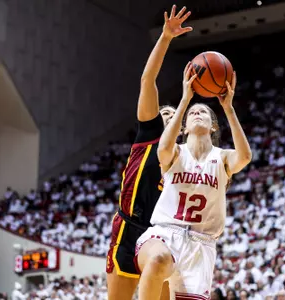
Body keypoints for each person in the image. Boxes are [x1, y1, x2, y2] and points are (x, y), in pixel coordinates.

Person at [135, 63, 252, 300]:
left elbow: (245, 156)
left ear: (213, 127)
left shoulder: (222, 158)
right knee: (158, 260)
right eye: (192, 114)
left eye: (204, 113)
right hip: (165, 233)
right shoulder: (175, 153)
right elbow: (163, 147)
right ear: (184, 128)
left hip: (202, 244)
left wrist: (228, 108)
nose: (197, 114)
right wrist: (185, 99)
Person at [105, 5, 192, 300]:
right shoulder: (149, 134)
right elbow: (147, 80)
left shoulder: (184, 158)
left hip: (162, 235)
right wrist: (166, 38)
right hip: (129, 229)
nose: (167, 115)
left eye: (172, 115)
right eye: (163, 113)